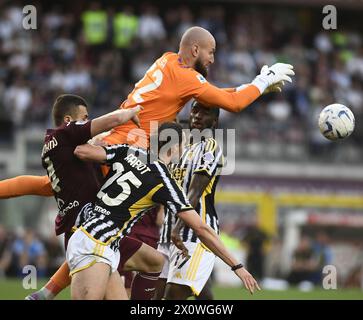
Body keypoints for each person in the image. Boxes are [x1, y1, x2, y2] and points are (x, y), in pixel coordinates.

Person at [0, 25, 294, 297]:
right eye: (211, 52)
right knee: (96, 226)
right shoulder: (186, 79)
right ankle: (50, 290)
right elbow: (232, 103)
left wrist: (252, 87)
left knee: (62, 197)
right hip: (124, 150)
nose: (213, 59)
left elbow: (216, 96)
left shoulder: (167, 61)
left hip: (117, 145)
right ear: (195, 51)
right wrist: (260, 81)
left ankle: (48, 291)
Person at [68, 122, 260, 299]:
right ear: (176, 148)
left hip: (97, 238)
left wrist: (93, 140)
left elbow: (82, 152)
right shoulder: (164, 180)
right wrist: (237, 266)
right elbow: (201, 228)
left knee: (154, 262)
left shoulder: (131, 151)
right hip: (96, 244)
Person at [155, 101, 222, 300]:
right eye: (195, 110)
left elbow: (194, 191)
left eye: (205, 112)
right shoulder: (179, 148)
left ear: (215, 122)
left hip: (194, 234)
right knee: (155, 298)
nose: (198, 115)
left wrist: (177, 227)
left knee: (172, 296)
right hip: (167, 235)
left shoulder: (210, 147)